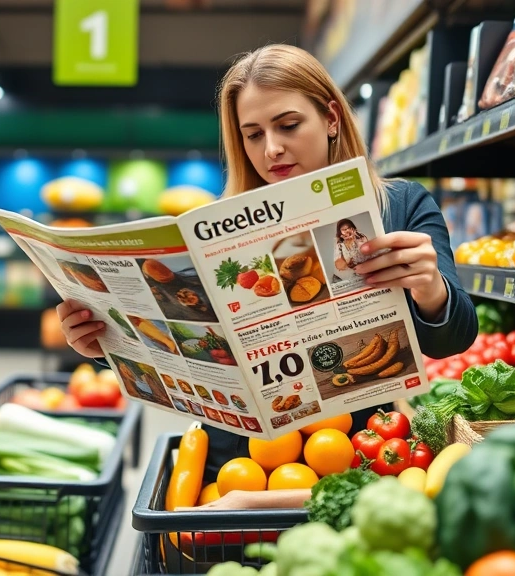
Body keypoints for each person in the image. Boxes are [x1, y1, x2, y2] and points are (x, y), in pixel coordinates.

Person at [56, 44, 477, 506]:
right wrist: (106, 342)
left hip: (347, 461)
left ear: (332, 118)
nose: (271, 148)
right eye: (252, 134)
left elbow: (452, 338)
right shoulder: (212, 232)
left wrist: (431, 289)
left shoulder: (400, 206)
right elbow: (187, 350)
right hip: (234, 464)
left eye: (288, 125)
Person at [332, 218, 370, 282]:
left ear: (353, 228)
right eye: (344, 229)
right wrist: (348, 245)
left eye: (349, 228)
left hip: (367, 270)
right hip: (353, 276)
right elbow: (340, 266)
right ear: (340, 232)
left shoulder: (361, 237)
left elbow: (366, 254)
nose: (347, 230)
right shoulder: (339, 245)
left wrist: (355, 242)